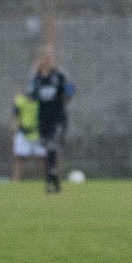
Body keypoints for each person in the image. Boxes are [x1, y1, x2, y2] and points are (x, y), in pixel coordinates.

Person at [27, 47, 78, 194]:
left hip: (58, 118)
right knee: (48, 150)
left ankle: (50, 179)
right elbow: (31, 96)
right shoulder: (36, 78)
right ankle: (53, 180)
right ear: (41, 58)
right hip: (43, 118)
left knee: (52, 147)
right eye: (45, 56)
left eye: (50, 56)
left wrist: (66, 96)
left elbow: (70, 91)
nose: (48, 59)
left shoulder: (59, 75)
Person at [11, 88, 42, 183]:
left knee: (45, 158)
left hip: (39, 133)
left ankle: (50, 180)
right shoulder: (21, 101)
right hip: (23, 133)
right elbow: (16, 114)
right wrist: (14, 124)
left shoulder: (41, 102)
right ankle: (15, 182)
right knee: (20, 158)